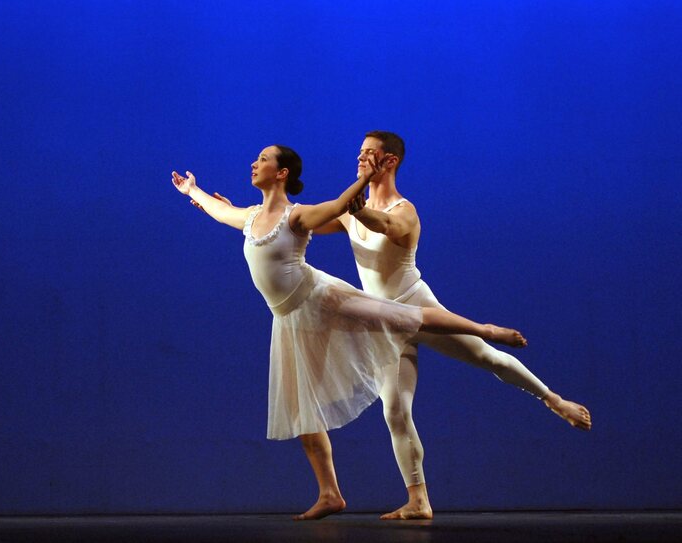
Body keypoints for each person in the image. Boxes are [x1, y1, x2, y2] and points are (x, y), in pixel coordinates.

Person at [198, 133, 592, 521]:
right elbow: (292, 227)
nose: (360, 159)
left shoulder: (404, 211)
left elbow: (384, 224)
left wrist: (356, 206)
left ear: (389, 162)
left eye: (369, 154)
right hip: (379, 320)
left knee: (487, 357)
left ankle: (552, 399)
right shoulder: (351, 213)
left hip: (416, 309)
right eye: (359, 153)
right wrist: (245, 216)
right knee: (396, 412)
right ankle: (418, 499)